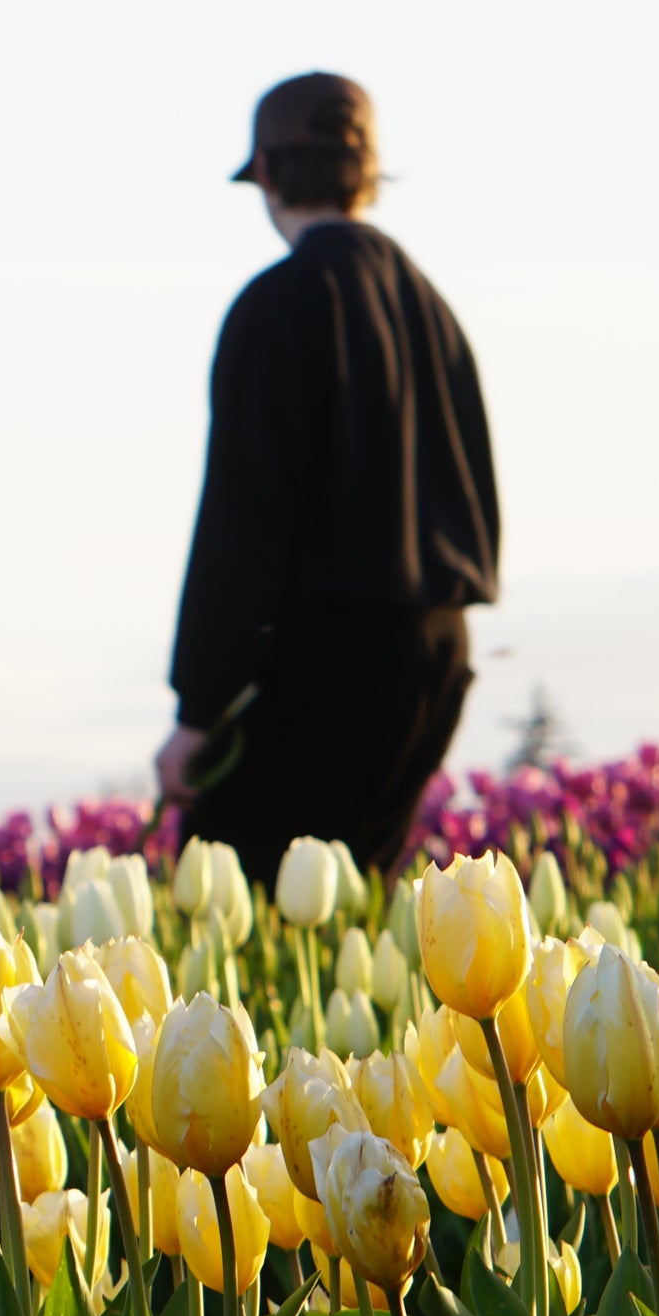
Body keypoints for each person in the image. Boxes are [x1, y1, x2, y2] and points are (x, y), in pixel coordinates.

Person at [152, 73, 499, 884]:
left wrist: (198, 711)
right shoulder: (432, 307)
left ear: (267, 173)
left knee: (234, 898)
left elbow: (243, 522)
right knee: (358, 913)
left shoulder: (276, 308)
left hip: (325, 668)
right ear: (369, 174)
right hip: (438, 659)